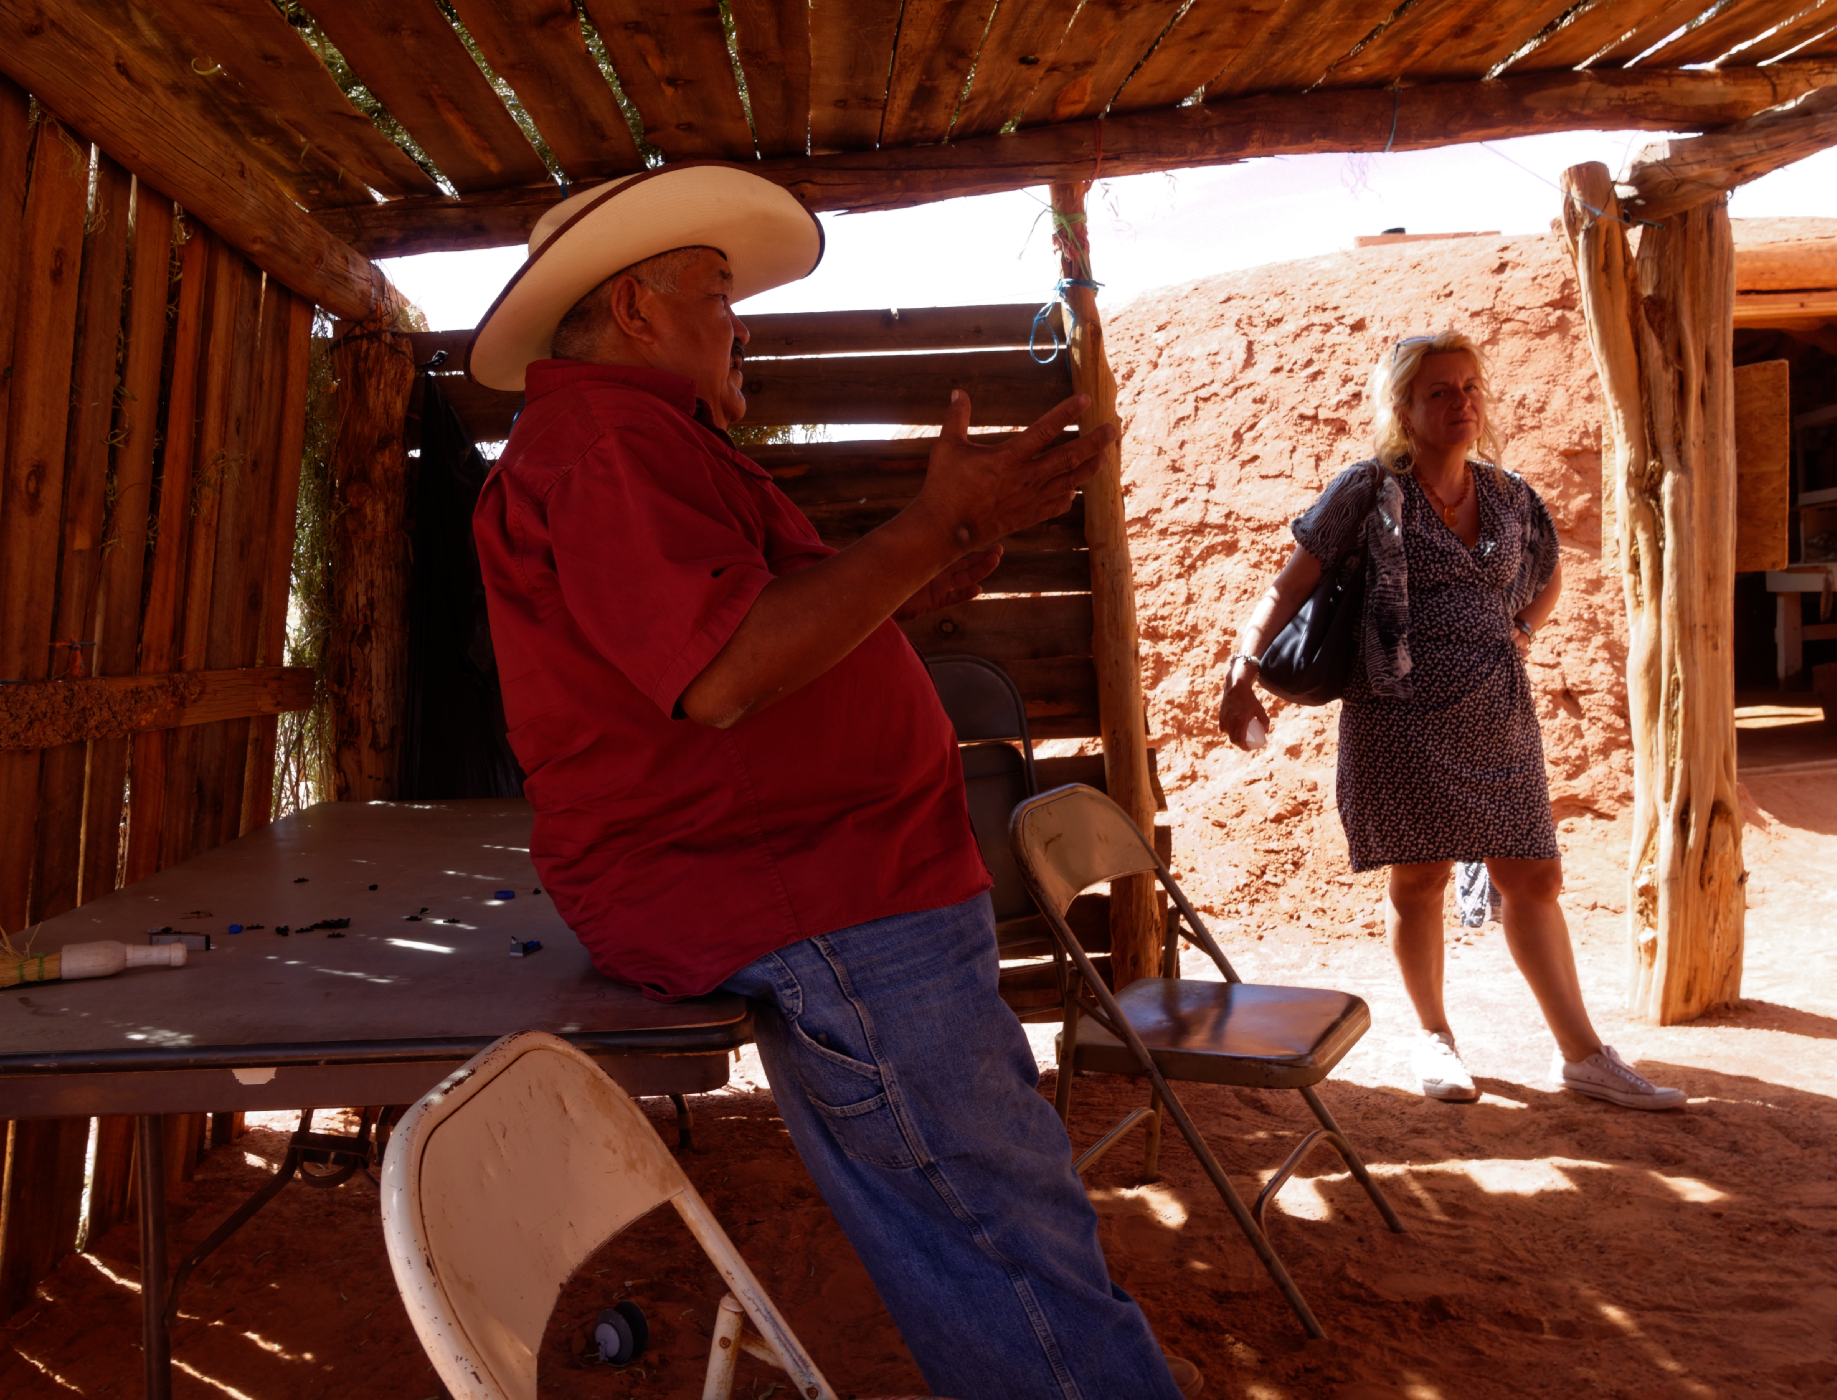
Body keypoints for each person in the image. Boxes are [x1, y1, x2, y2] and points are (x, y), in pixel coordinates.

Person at [467, 163, 1199, 1399]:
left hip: (822, 882)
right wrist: (920, 533)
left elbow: (762, 647)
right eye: (715, 290)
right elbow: (723, 673)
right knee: (1002, 1233)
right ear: (638, 308)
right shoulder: (602, 443)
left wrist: (916, 572)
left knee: (980, 1224)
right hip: (814, 890)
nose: (736, 317)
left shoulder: (636, 439)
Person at [1217, 330, 1685, 1112]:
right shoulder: (1368, 490)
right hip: (1397, 716)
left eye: (1470, 387)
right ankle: (1436, 1038)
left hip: (1497, 714)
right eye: (1440, 391)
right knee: (1420, 878)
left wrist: (1524, 630)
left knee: (1533, 875)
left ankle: (1584, 1055)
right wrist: (1243, 665)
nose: (1462, 402)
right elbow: (1286, 585)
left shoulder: (1507, 494)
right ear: (1404, 408)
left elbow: (1548, 570)